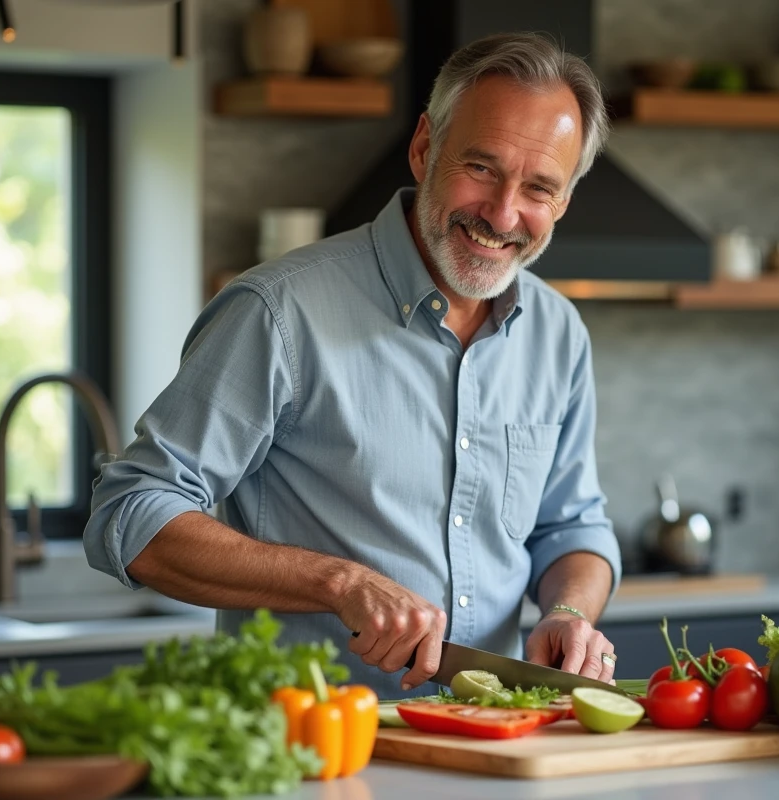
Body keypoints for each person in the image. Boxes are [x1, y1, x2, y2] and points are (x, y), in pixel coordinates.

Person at [83, 32, 622, 699]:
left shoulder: (558, 332)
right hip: (309, 742)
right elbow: (130, 512)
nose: (504, 212)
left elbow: (572, 525)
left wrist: (570, 611)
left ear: (564, 199)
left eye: (539, 187)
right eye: (481, 168)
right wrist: (337, 582)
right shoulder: (279, 312)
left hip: (497, 744)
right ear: (426, 147)